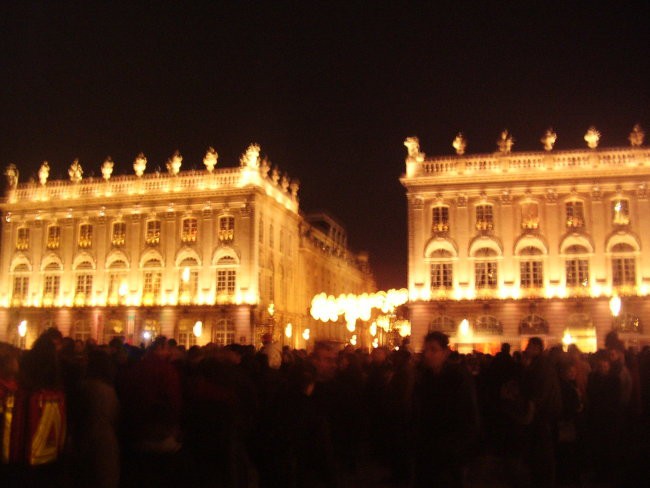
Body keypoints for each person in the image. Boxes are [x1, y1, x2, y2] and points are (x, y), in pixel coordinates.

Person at [414, 331, 480, 487]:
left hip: (450, 455)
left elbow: (469, 418)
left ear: (445, 353)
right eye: (426, 350)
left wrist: (458, 450)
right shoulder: (424, 377)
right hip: (426, 451)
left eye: (433, 350)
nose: (428, 354)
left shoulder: (458, 378)